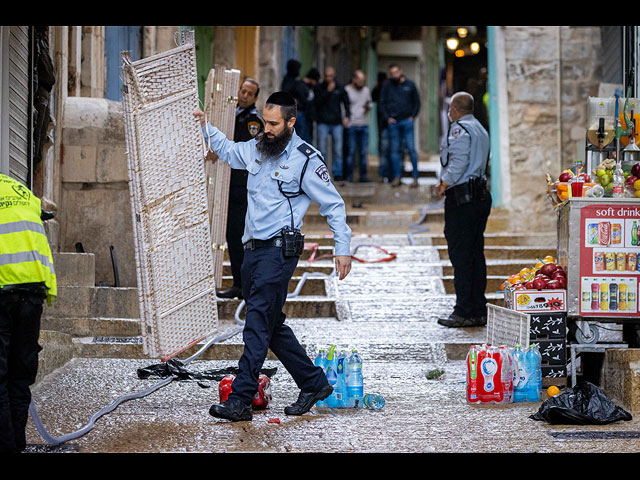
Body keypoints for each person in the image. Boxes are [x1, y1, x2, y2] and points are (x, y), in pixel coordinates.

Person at [193, 91, 352, 422]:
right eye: (265, 121)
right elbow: (227, 151)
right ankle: (313, 382)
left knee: (256, 324)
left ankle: (240, 399)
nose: (266, 128)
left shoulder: (306, 158)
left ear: (291, 122)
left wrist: (343, 247)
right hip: (252, 251)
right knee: (269, 323)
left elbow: (333, 204)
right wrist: (206, 126)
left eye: (274, 123)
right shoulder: (258, 148)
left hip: (279, 252)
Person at [0, 174, 57, 452]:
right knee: (20, 378)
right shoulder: (21, 192)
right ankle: (17, 445)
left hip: (2, 291)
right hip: (33, 291)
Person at [435, 92, 491, 328]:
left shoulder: (459, 129)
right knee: (476, 253)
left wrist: (444, 183)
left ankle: (464, 311)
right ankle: (478, 308)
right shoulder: (480, 128)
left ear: (455, 109)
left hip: (462, 198)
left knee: (461, 254)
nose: (449, 114)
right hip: (480, 196)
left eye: (450, 110)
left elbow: (457, 162)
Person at [217, 78, 265, 300]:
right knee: (231, 235)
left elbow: (245, 150)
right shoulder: (229, 113)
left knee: (241, 236)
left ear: (255, 98)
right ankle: (238, 283)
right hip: (227, 182)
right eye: (242, 91)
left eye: (249, 93)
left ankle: (247, 286)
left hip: (242, 186)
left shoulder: (253, 122)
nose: (243, 95)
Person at [379, 64, 420, 187]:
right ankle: (397, 177)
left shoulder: (410, 85)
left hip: (407, 122)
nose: (394, 75)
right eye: (392, 73)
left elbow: (417, 102)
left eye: (396, 72)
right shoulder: (387, 85)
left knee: (411, 149)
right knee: (394, 151)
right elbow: (382, 103)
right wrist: (388, 118)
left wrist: (412, 116)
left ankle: (415, 177)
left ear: (401, 71)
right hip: (394, 123)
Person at [315, 67, 351, 181]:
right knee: (322, 150)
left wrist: (347, 116)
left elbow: (346, 102)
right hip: (323, 122)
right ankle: (323, 173)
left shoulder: (340, 88)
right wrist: (328, 92)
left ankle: (338, 173)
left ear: (334, 76)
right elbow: (317, 103)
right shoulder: (320, 88)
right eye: (326, 76)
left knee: (338, 150)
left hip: (336, 123)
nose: (328, 78)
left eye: (331, 76)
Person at [344, 69, 373, 183]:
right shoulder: (347, 90)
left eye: (363, 81)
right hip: (352, 124)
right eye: (360, 80)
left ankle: (363, 176)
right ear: (354, 79)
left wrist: (368, 106)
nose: (361, 83)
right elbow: (344, 106)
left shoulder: (366, 90)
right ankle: (349, 177)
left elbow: (370, 103)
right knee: (350, 152)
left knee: (363, 152)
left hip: (364, 124)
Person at [282, 63, 320, 144]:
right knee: (301, 140)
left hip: (306, 115)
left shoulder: (299, 83)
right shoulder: (292, 82)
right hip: (299, 113)